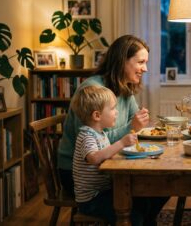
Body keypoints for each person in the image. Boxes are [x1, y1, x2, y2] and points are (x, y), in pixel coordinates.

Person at [58, 34, 168, 225]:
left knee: (162, 187)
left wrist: (139, 125)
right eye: (140, 62)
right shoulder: (92, 92)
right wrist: (131, 128)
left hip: (110, 164)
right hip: (81, 174)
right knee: (144, 200)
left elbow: (136, 127)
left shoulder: (124, 87)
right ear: (122, 61)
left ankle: (143, 220)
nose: (145, 68)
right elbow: (90, 142)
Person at [71, 85, 137, 225]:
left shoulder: (101, 134)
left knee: (139, 203)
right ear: (97, 115)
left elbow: (106, 155)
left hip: (102, 191)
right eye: (113, 108)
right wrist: (121, 143)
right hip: (91, 200)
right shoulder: (86, 136)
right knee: (133, 214)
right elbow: (94, 158)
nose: (116, 112)